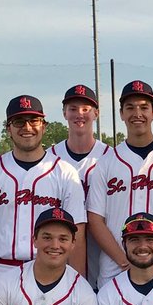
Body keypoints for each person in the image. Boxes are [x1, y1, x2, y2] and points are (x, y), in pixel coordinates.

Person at [0, 94, 86, 285]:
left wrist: (76, 283)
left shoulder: (64, 173)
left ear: (44, 126)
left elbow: (78, 235)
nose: (27, 127)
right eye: (19, 122)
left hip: (51, 271)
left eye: (34, 121)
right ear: (8, 128)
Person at [87, 81, 153, 284]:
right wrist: (122, 258)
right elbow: (95, 218)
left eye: (144, 107)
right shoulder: (107, 161)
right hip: (115, 268)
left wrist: (151, 257)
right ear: (121, 113)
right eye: (130, 108)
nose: (137, 113)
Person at [51, 84, 110, 287]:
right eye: (73, 109)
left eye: (85, 109)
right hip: (61, 243)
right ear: (64, 113)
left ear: (96, 113)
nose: (79, 114)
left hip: (101, 245)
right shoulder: (50, 158)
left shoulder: (112, 157)